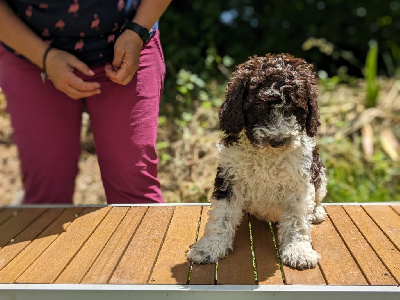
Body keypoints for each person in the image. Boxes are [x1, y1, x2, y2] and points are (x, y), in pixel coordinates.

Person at [0, 0, 172, 204]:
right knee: (46, 193)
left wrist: (137, 31)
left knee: (134, 188)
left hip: (129, 42)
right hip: (30, 55)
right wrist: (44, 57)